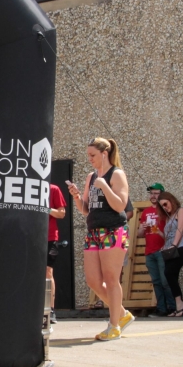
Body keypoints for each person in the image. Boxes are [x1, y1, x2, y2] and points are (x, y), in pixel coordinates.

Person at [66, 137, 134, 341]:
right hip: (94, 231)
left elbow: (121, 205)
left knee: (111, 278)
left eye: (93, 155)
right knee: (93, 280)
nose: (90, 159)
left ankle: (114, 325)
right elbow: (86, 209)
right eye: (88, 155)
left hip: (113, 230)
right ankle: (122, 314)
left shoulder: (117, 174)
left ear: (104, 154)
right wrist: (77, 196)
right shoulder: (91, 176)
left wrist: (104, 186)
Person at [138, 183, 172, 317]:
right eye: (151, 193)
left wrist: (159, 232)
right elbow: (140, 234)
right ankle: (161, 309)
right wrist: (142, 228)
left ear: (161, 195)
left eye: (156, 193)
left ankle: (173, 307)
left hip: (162, 251)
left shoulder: (165, 211)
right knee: (156, 282)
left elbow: (171, 233)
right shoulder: (145, 212)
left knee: (165, 281)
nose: (153, 196)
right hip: (149, 251)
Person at [158, 191, 183, 317]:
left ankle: (180, 304)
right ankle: (178, 306)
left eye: (165, 204)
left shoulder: (181, 211)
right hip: (170, 250)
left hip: (181, 247)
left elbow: (180, 229)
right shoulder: (168, 217)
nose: (165, 207)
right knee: (171, 276)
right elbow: (168, 236)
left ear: (171, 200)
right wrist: (165, 246)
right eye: (162, 206)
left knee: (169, 272)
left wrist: (174, 245)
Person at [45, 180, 68, 324]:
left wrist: (46, 210)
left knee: (48, 272)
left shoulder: (53, 189)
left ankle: (50, 309)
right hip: (28, 236)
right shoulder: (25, 187)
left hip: (49, 237)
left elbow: (61, 213)